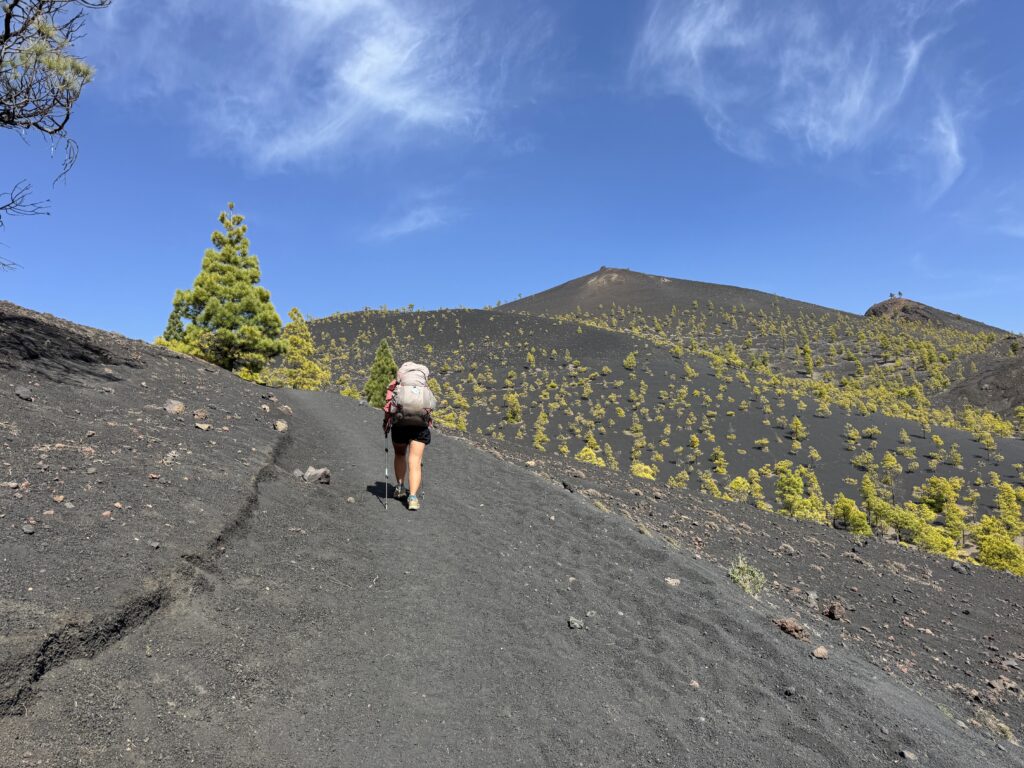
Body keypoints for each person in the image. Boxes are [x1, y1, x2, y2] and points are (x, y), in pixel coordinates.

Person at [382, 361, 433, 511]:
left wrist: (386, 423)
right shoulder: (424, 387)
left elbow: (388, 406)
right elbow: (430, 407)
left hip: (400, 424)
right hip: (420, 426)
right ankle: (413, 498)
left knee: (399, 454)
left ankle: (400, 487)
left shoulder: (396, 385)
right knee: (415, 461)